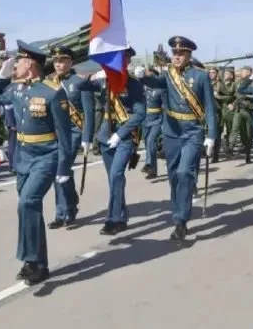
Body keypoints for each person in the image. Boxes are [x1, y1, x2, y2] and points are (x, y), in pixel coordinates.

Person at [0, 40, 73, 286]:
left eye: (20, 61)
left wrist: (63, 169)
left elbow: (65, 135)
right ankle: (41, 266)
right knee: (30, 209)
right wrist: (1, 76)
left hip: (46, 156)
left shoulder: (52, 92)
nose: (16, 64)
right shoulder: (17, 89)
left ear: (32, 65)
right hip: (23, 157)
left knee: (28, 202)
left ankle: (29, 261)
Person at [136, 36, 216, 241]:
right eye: (174, 53)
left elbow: (209, 108)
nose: (177, 57)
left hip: (192, 131)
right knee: (173, 177)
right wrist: (142, 76)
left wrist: (211, 135)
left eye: (181, 53)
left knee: (184, 173)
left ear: (189, 55)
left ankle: (181, 220)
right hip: (171, 132)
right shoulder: (168, 75)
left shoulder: (201, 76)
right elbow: (154, 81)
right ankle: (178, 214)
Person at [80, 46, 145, 236]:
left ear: (128, 61)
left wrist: (120, 134)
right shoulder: (103, 80)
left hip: (124, 137)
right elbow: (79, 86)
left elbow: (140, 113)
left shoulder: (133, 84)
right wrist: (94, 75)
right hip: (105, 135)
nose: (119, 63)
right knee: (113, 179)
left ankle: (113, 219)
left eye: (122, 59)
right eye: (115, 59)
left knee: (117, 175)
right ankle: (122, 215)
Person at [44, 45, 95, 229]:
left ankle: (64, 212)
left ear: (70, 62)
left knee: (61, 169)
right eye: (56, 61)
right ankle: (68, 205)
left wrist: (87, 137)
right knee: (60, 172)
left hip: (74, 132)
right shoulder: (48, 82)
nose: (59, 64)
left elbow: (89, 112)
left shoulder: (80, 81)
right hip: (55, 133)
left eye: (63, 60)